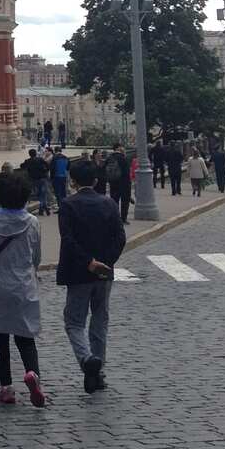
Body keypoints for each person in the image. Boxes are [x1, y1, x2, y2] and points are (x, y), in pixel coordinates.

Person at [0, 170, 46, 407]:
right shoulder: (32, 223)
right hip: (24, 286)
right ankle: (32, 374)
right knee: (26, 338)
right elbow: (36, 256)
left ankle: (6, 388)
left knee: (1, 340)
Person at [57, 157, 126, 394]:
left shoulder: (68, 205)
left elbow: (67, 239)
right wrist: (105, 263)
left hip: (79, 272)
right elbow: (120, 238)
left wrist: (89, 263)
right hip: (104, 273)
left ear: (73, 181)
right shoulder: (109, 204)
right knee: (100, 320)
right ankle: (100, 371)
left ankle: (87, 361)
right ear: (96, 180)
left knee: (74, 322)